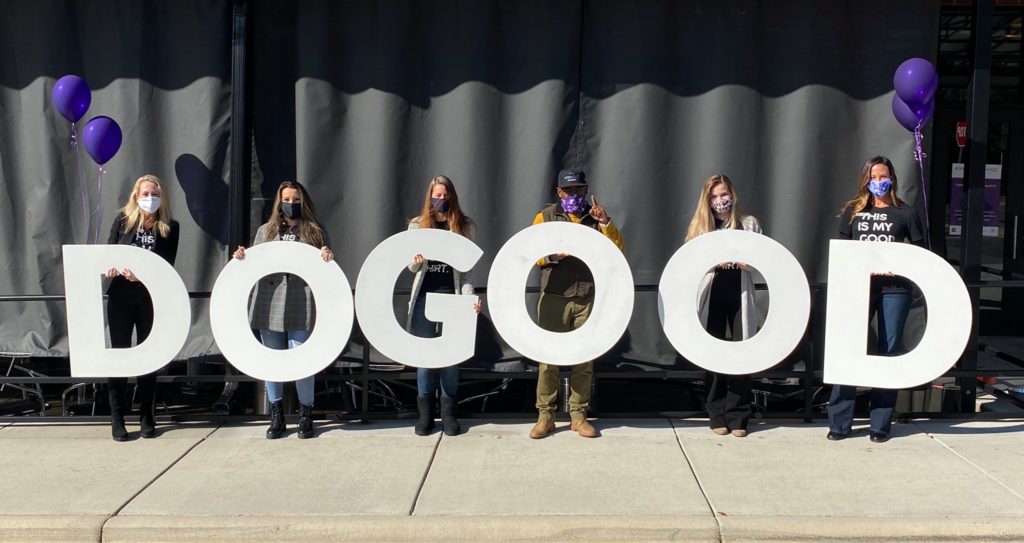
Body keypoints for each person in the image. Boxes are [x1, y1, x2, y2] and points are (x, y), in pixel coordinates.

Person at [827, 156, 924, 444]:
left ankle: (880, 425)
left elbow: (921, 255)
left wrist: (898, 267)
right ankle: (839, 424)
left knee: (888, 351)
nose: (878, 182)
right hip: (858, 289)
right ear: (865, 180)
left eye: (883, 176)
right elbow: (843, 253)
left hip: (894, 290)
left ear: (892, 178)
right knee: (848, 350)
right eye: (873, 176)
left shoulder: (905, 213)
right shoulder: (852, 211)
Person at [232, 180, 334, 440]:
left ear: (304, 201)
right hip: (270, 298)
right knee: (272, 360)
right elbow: (254, 262)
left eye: (296, 200)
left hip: (301, 297)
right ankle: (276, 414)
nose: (291, 204)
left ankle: (305, 413)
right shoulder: (265, 230)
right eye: (287, 200)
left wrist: (327, 255)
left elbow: (329, 262)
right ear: (280, 202)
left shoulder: (315, 230)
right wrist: (242, 255)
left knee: (303, 357)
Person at [529, 169, 624, 439]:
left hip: (587, 296)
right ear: (559, 192)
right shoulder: (545, 216)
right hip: (554, 298)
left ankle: (578, 415)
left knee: (585, 358)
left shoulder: (593, 217)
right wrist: (554, 256)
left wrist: (605, 221)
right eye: (569, 191)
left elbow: (617, 250)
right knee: (548, 359)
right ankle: (545, 415)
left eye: (579, 190)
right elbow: (532, 254)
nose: (574, 195)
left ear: (587, 190)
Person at [684, 174, 763, 438]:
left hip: (739, 292)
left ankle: (739, 415)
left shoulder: (748, 224)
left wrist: (747, 262)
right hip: (713, 293)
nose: (720, 201)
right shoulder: (700, 227)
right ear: (707, 200)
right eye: (714, 197)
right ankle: (716, 413)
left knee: (742, 354)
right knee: (714, 354)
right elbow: (690, 263)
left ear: (732, 194)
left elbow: (763, 260)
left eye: (724, 194)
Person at [104, 174, 180, 441]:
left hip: (150, 297)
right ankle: (118, 418)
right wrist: (111, 269)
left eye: (154, 194)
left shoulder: (170, 226)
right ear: (136, 197)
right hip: (121, 297)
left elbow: (167, 264)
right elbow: (109, 253)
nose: (150, 199)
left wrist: (144, 275)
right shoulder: (123, 223)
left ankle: (147, 415)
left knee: (149, 357)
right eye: (145, 194)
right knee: (121, 356)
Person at [406, 175, 481, 437]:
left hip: (454, 297)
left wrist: (470, 298)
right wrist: (417, 261)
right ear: (430, 197)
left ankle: (449, 414)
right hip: (424, 297)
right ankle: (426, 415)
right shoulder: (417, 225)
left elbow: (468, 271)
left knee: (451, 360)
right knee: (425, 358)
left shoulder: (463, 225)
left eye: (445, 195)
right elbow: (410, 266)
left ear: (452, 196)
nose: (441, 199)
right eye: (436, 195)